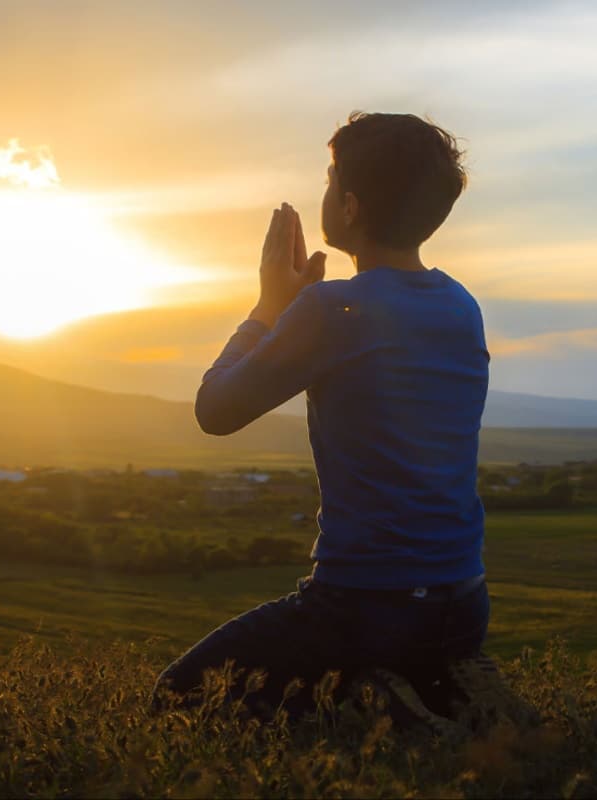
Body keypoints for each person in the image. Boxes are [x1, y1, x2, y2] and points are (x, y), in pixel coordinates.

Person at [154, 112, 497, 732]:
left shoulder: (332, 309)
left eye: (330, 176)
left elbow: (215, 411)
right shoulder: (459, 304)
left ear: (350, 205)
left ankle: (381, 708)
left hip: (367, 605)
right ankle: (403, 700)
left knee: (178, 698)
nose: (325, 190)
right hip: (464, 600)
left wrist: (268, 307)